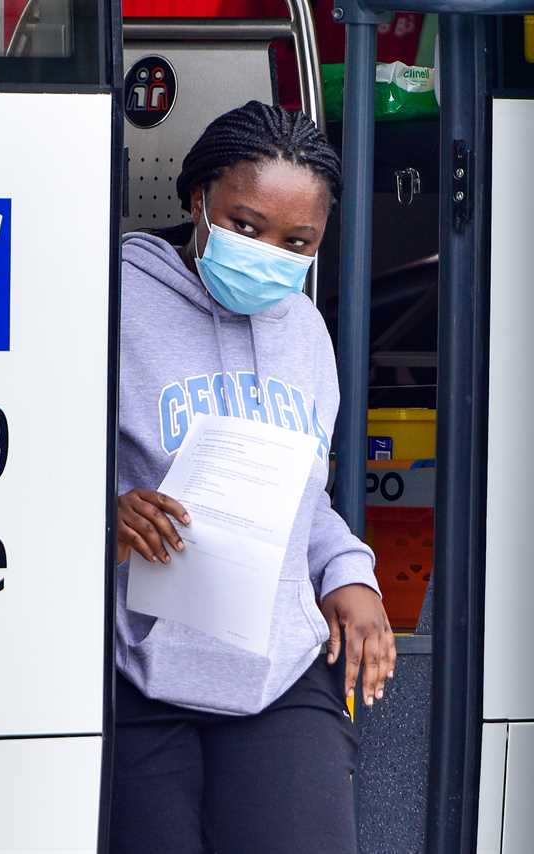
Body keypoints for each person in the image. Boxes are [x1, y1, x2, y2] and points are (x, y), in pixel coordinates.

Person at [112, 100, 396, 854]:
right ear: (196, 200)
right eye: (244, 225)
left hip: (278, 669)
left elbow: (309, 499)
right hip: (134, 669)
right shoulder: (109, 303)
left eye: (295, 240)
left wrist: (349, 575)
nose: (268, 250)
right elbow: (33, 473)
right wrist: (106, 515)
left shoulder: (304, 330)